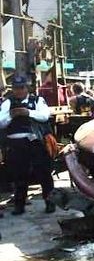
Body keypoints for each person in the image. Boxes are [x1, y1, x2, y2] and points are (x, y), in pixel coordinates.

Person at [0, 75, 54, 215]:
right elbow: (1, 122)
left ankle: (50, 201)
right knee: (19, 175)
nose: (18, 91)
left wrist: (28, 112)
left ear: (26, 88)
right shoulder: (8, 103)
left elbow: (45, 115)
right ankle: (19, 205)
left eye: (21, 88)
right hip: (16, 144)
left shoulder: (37, 100)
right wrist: (12, 115)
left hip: (35, 142)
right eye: (16, 88)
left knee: (43, 173)